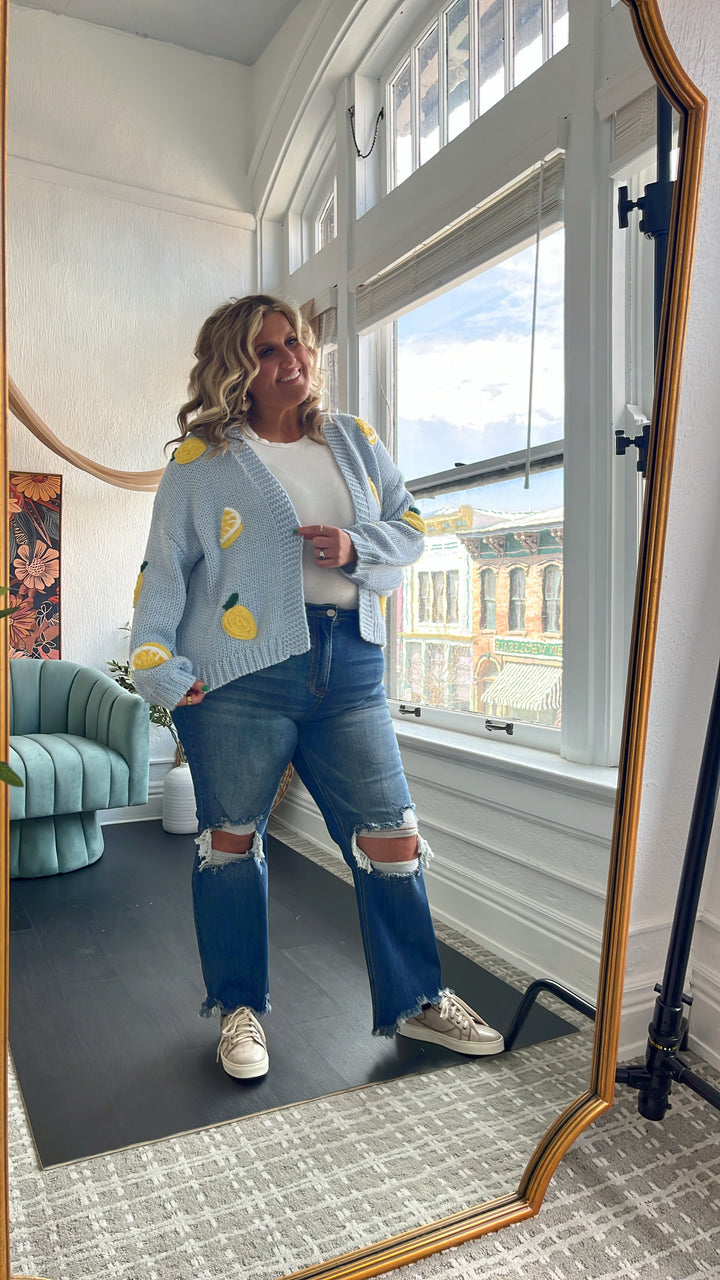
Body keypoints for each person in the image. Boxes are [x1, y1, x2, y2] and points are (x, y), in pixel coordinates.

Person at [129, 294, 504, 1080]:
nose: (289, 360)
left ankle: (418, 999)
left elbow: (411, 527)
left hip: (352, 668)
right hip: (241, 678)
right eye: (266, 350)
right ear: (235, 367)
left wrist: (356, 545)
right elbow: (165, 570)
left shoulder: (354, 440)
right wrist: (155, 662)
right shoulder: (202, 460)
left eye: (294, 343)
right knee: (232, 840)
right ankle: (238, 1009)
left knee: (392, 837)